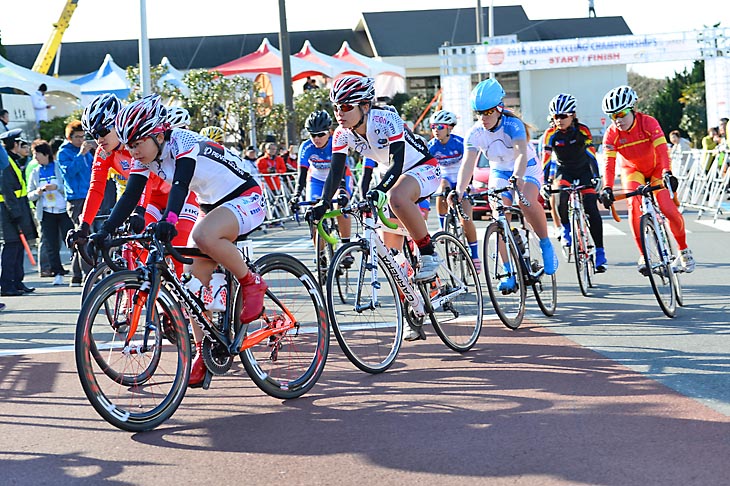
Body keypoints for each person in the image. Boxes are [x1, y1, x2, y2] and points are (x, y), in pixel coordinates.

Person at [94, 94, 266, 387]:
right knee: (191, 286)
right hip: (212, 206)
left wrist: (169, 221)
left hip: (246, 196)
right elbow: (130, 195)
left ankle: (252, 282)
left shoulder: (182, 142)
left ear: (158, 134)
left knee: (201, 235)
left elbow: (180, 184)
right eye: (129, 145)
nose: (133, 152)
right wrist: (105, 230)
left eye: (137, 143)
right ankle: (204, 351)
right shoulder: (145, 156)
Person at [308, 76, 441, 340]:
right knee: (392, 256)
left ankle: (428, 251)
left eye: (347, 107)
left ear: (365, 106)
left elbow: (397, 160)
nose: (339, 114)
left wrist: (380, 190)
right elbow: (335, 174)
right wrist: (323, 203)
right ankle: (413, 309)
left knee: (396, 197)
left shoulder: (385, 119)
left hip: (421, 168)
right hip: (391, 175)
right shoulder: (341, 134)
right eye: (337, 107)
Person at [66, 94, 199, 279]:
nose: (98, 139)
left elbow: (148, 181)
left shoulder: (139, 144)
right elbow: (96, 188)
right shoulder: (104, 153)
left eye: (102, 131)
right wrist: (84, 226)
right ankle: (150, 299)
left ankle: (187, 298)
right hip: (152, 199)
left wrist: (139, 210)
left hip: (180, 196)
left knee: (178, 243)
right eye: (93, 135)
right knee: (138, 248)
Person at [455, 78, 559, 292]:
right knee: (499, 216)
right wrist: (459, 190)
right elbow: (468, 164)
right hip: (499, 170)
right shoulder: (475, 133)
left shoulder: (513, 124)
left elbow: (521, 153)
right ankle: (507, 270)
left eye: (488, 112)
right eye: (479, 113)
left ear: (499, 108)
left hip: (526, 167)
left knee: (526, 201)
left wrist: (519, 177)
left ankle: (546, 244)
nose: (483, 118)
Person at [599, 85, 695, 274]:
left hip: (656, 168)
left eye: (621, 113)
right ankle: (644, 254)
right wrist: (607, 187)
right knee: (634, 206)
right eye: (613, 116)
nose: (618, 120)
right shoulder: (611, 134)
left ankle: (683, 250)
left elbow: (662, 150)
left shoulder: (648, 123)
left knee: (668, 208)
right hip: (632, 171)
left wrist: (667, 172)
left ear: (632, 109)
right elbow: (609, 164)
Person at [541, 93, 607, 272]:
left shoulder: (582, 130)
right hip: (565, 171)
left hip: (584, 170)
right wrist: (545, 182)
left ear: (573, 115)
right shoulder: (550, 134)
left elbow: (591, 154)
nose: (559, 120)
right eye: (556, 116)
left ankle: (600, 252)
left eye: (563, 116)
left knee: (591, 207)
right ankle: (566, 228)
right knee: (561, 194)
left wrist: (597, 177)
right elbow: (546, 159)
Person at [292, 110, 352, 275]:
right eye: (313, 135)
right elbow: (302, 175)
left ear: (330, 132)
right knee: (314, 216)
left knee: (341, 206)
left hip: (339, 177)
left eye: (320, 134)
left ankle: (346, 246)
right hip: (317, 180)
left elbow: (340, 172)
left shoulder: (337, 143)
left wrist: (341, 193)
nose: (317, 139)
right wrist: (296, 195)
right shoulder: (306, 147)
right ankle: (321, 255)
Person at [427, 109, 481, 272]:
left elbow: (470, 165)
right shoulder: (431, 146)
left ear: (450, 128)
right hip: (444, 177)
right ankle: (443, 226)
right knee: (442, 187)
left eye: (440, 126)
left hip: (461, 177)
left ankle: (475, 255)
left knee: (466, 220)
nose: (436, 130)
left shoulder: (460, 143)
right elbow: (428, 168)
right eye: (433, 126)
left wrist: (468, 185)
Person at [27, 140, 73, 285]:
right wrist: (38, 192)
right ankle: (57, 272)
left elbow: (68, 187)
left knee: (72, 240)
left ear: (46, 154)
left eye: (37, 154)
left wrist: (57, 187)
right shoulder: (35, 172)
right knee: (51, 245)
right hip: (46, 212)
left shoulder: (58, 167)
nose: (36, 158)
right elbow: (29, 194)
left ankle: (79, 269)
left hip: (63, 210)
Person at [0, 129, 38, 296]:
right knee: (11, 246)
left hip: (16, 207)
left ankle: (17, 281)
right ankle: (7, 285)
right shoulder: (5, 162)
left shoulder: (11, 160)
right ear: (14, 144)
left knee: (18, 247)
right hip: (8, 210)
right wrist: (15, 213)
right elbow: (7, 190)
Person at [57, 120, 95, 286]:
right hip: (75, 198)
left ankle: (77, 275)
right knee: (83, 235)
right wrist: (81, 154)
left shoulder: (87, 151)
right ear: (69, 137)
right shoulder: (64, 152)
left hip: (88, 196)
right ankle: (88, 275)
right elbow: (70, 173)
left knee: (83, 236)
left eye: (83, 136)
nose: (81, 139)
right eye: (77, 137)